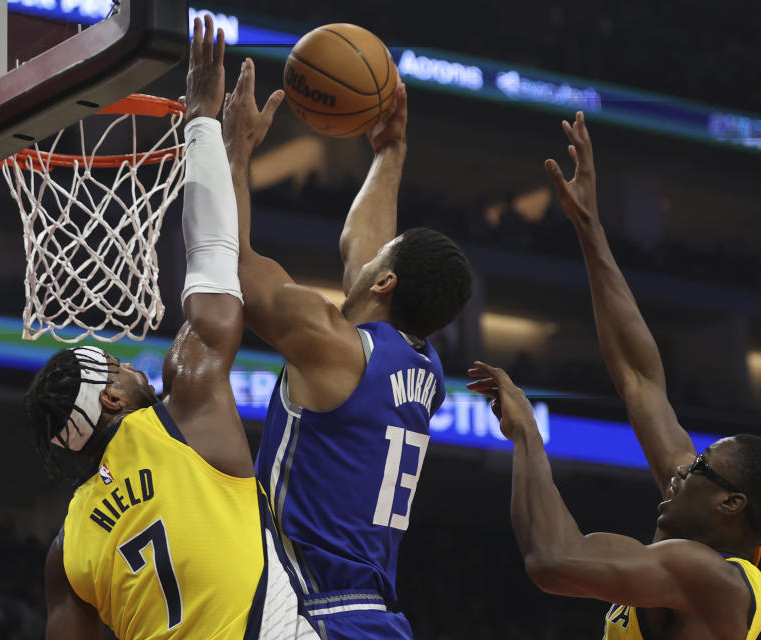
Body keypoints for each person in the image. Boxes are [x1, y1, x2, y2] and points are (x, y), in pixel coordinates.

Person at [23, 17, 318, 640]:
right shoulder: (184, 408)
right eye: (119, 367)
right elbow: (213, 255)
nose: (131, 365)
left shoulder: (66, 551)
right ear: (111, 399)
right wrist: (202, 121)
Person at [466, 112, 761, 640]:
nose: (679, 465)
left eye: (699, 464)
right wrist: (589, 228)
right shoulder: (704, 541)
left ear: (731, 504)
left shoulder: (707, 575)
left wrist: (527, 435)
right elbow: (638, 376)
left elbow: (552, 559)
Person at [222, 61, 473, 638]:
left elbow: (234, 263)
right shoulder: (423, 368)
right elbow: (365, 246)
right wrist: (389, 156)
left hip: (311, 611)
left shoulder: (331, 346)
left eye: (385, 258)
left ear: (384, 282)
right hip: (375, 618)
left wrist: (235, 151)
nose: (373, 253)